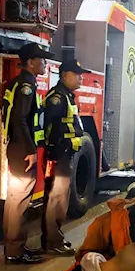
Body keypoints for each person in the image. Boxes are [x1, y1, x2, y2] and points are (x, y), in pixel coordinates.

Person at [3, 42, 56, 264]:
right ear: (31, 62)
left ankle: (15, 247)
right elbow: (20, 120)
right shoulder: (26, 85)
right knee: (19, 200)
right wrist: (31, 150)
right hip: (22, 150)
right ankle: (15, 251)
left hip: (17, 147)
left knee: (16, 199)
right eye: (41, 60)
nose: (45, 63)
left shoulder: (21, 83)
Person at [42, 59, 89, 255]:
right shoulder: (57, 98)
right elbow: (47, 127)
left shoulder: (67, 96)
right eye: (76, 74)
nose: (81, 77)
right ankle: (52, 241)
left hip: (65, 153)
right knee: (57, 198)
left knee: (60, 198)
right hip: (59, 154)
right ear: (64, 75)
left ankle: (54, 238)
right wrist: (55, 150)